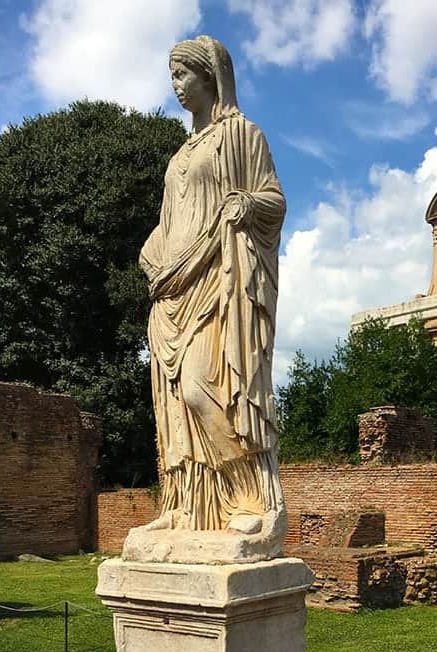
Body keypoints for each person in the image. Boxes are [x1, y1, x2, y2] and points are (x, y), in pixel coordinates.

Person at [138, 35, 286, 547]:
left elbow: (273, 199)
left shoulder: (243, 135)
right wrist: (151, 250)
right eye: (172, 77)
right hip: (172, 289)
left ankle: (251, 500)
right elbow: (169, 222)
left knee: (207, 391)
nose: (176, 87)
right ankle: (183, 507)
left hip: (215, 279)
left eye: (183, 76)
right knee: (173, 406)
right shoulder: (178, 157)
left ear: (211, 78)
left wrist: (247, 204)